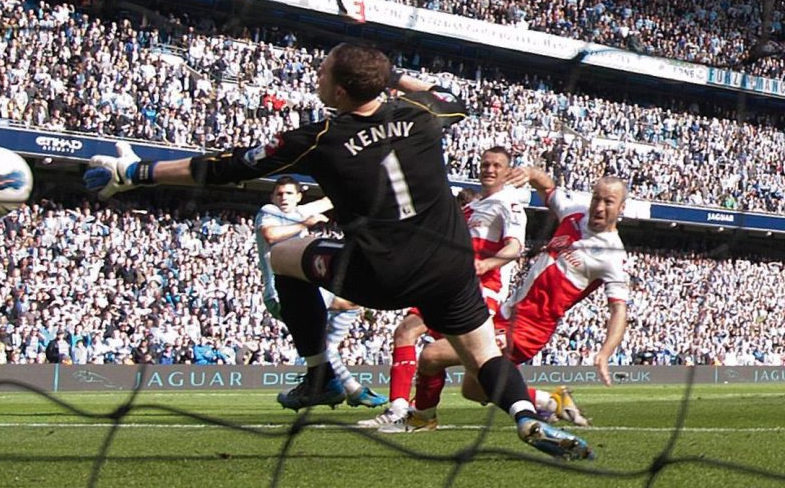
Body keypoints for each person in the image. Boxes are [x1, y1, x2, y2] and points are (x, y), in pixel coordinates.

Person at [84, 43, 592, 460]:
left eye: (325, 71)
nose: (318, 74)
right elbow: (455, 97)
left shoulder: (318, 138)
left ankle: (319, 373)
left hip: (380, 273)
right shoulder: (422, 115)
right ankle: (526, 420)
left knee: (284, 256)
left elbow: (223, 167)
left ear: (341, 90)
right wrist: (392, 75)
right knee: (483, 356)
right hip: (447, 268)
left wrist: (138, 172)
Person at [393, 168, 629, 430]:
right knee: (473, 389)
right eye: (597, 198)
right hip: (507, 314)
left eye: (608, 201)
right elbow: (548, 189)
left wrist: (605, 352)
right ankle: (551, 402)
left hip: (529, 328)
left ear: (621, 208)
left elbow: (619, 310)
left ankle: (422, 417)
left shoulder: (612, 255)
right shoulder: (574, 213)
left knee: (431, 356)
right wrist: (530, 173)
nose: (599, 206)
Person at [361, 147, 532, 430]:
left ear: (507, 171)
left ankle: (541, 402)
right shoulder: (470, 208)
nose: (489, 169)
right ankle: (399, 410)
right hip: (447, 282)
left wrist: (485, 264)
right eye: (485, 164)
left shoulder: (509, 204)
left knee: (469, 371)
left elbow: (514, 248)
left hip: (481, 290)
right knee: (405, 331)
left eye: (497, 165)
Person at [256, 175, 387, 408]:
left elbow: (331, 200)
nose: (283, 197)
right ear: (272, 196)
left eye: (288, 193)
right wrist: (305, 225)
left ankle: (346, 387)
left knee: (331, 332)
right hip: (280, 291)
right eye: (279, 193)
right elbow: (270, 235)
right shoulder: (269, 211)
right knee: (347, 307)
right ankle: (345, 386)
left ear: (299, 196)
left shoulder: (300, 210)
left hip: (304, 287)